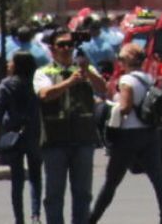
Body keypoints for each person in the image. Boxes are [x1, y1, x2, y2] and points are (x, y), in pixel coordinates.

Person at [87, 44, 162, 224]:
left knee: (111, 182)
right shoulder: (148, 78)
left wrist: (110, 107)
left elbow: (125, 107)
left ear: (126, 61)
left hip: (127, 135)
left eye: (121, 59)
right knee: (157, 179)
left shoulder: (126, 81)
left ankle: (92, 219)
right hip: (149, 133)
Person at [35, 31, 105, 224]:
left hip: (83, 140)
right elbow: (44, 95)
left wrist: (88, 72)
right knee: (54, 195)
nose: (66, 48)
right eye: (61, 45)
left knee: (83, 195)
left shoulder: (85, 70)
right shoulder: (44, 72)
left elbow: (103, 89)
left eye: (69, 45)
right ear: (52, 49)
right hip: (55, 141)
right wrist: (70, 81)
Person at [0, 51, 43, 224]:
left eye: (11, 61)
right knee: (35, 175)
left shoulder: (6, 85)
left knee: (17, 179)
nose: (8, 64)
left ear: (17, 64)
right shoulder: (35, 83)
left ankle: (19, 218)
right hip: (34, 132)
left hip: (12, 133)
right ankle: (35, 214)